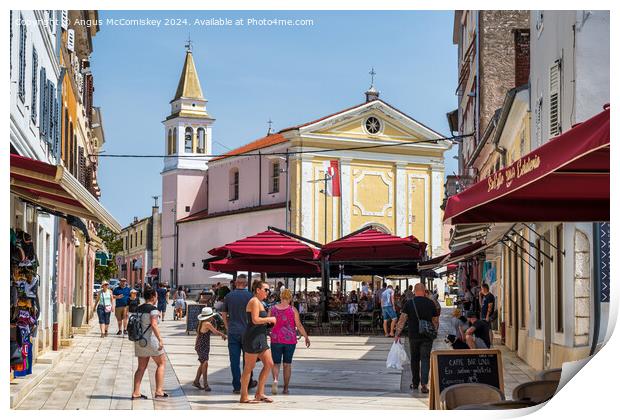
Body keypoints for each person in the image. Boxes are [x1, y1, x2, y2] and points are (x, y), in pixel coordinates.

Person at [395, 283, 440, 394]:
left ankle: (415, 383)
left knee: (414, 360)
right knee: (425, 359)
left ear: (414, 291)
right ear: (424, 291)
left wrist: (397, 333)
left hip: (413, 336)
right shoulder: (431, 303)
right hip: (427, 337)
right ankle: (424, 385)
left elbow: (402, 320)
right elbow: (435, 321)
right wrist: (434, 332)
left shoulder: (409, 303)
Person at [239, 280, 276, 404]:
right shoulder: (254, 301)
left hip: (260, 337)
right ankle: (243, 396)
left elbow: (259, 320)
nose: (267, 292)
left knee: (269, 363)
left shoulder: (259, 302)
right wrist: (270, 318)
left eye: (268, 290)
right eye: (266, 289)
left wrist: (267, 322)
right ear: (258, 290)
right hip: (253, 338)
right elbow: (255, 320)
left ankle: (259, 393)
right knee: (249, 368)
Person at [268, 289, 310, 395]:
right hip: (290, 340)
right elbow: (299, 325)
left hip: (276, 339)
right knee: (287, 364)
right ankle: (286, 388)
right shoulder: (293, 310)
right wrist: (306, 337)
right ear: (290, 298)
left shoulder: (272, 309)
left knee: (276, 364)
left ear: (280, 297)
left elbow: (268, 323)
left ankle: (275, 380)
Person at [221, 275, 257, 394]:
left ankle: (237, 386)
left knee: (234, 361)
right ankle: (248, 382)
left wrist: (227, 327)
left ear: (236, 283)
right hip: (248, 332)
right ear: (246, 284)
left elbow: (224, 313)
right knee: (248, 360)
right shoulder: (250, 296)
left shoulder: (229, 296)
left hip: (233, 332)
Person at [131, 287, 167, 400]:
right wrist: (160, 339)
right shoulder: (154, 310)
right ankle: (159, 391)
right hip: (151, 340)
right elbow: (154, 324)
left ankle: (136, 392)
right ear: (153, 297)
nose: (157, 298)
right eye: (156, 296)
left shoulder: (138, 308)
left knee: (141, 367)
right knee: (161, 363)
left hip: (139, 341)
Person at [193, 307, 227, 391]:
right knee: (205, 364)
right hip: (203, 346)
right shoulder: (207, 324)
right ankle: (205, 384)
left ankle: (196, 381)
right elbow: (215, 332)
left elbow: (198, 335)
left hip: (201, 345)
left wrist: (196, 345)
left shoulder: (201, 322)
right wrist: (223, 335)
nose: (212, 317)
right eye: (211, 316)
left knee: (202, 364)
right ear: (209, 317)